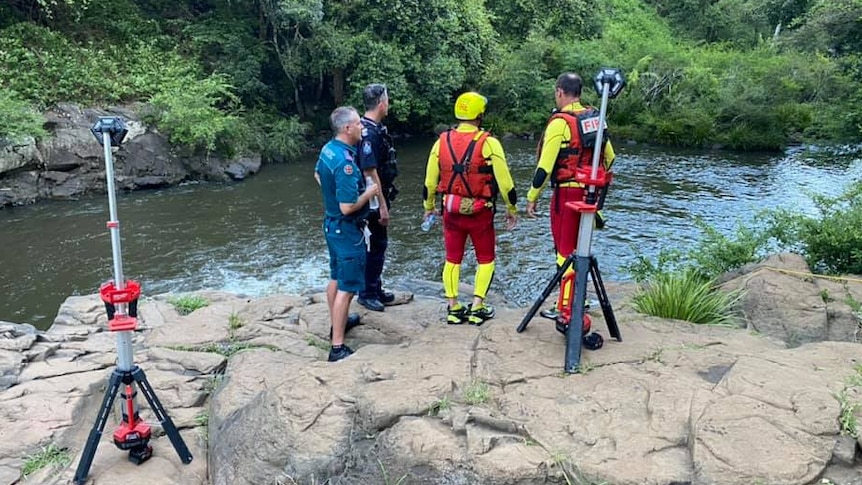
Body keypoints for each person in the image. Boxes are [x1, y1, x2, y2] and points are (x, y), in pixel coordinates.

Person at [525, 72, 616, 329]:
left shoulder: (559, 123)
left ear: (559, 92)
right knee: (581, 249)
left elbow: (545, 167)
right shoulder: (594, 119)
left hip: (566, 195)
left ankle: (565, 306)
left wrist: (532, 197)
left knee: (564, 253)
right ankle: (578, 298)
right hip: (590, 194)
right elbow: (611, 158)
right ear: (580, 92)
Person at [422, 92, 518, 326]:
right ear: (479, 115)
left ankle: (454, 307)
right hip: (480, 213)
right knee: (486, 258)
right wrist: (511, 209)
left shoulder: (440, 142)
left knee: (452, 259)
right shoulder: (489, 143)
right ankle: (477, 306)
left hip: (450, 211)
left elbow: (429, 183)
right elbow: (506, 183)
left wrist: (429, 207)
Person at [315, 106, 379, 362]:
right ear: (347, 128)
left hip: (332, 225)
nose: (362, 128)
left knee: (335, 276)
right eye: (358, 124)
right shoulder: (345, 163)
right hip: (347, 228)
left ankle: (337, 323)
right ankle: (337, 347)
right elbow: (348, 206)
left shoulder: (328, 149)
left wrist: (332, 194)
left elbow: (318, 174)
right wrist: (369, 193)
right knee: (348, 288)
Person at [356, 83, 399, 312]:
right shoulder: (368, 132)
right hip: (371, 199)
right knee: (375, 244)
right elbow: (369, 172)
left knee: (376, 244)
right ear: (382, 102)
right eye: (388, 99)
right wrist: (381, 206)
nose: (388, 103)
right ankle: (368, 292)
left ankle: (375, 287)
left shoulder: (369, 127)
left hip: (374, 195)